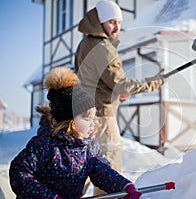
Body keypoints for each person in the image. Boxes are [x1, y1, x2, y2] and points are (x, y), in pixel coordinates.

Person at [9, 67, 141, 199]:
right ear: (69, 121)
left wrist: (123, 186)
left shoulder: (89, 147)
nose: (92, 123)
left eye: (93, 118)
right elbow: (20, 174)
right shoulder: (44, 145)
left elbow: (103, 172)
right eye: (87, 118)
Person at [75, 0, 164, 195]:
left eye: (119, 22)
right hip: (100, 118)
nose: (116, 27)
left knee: (82, 169)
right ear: (100, 22)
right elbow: (121, 84)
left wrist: (114, 91)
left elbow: (94, 80)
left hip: (83, 115)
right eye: (111, 22)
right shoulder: (103, 48)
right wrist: (155, 82)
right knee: (109, 170)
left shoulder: (85, 43)